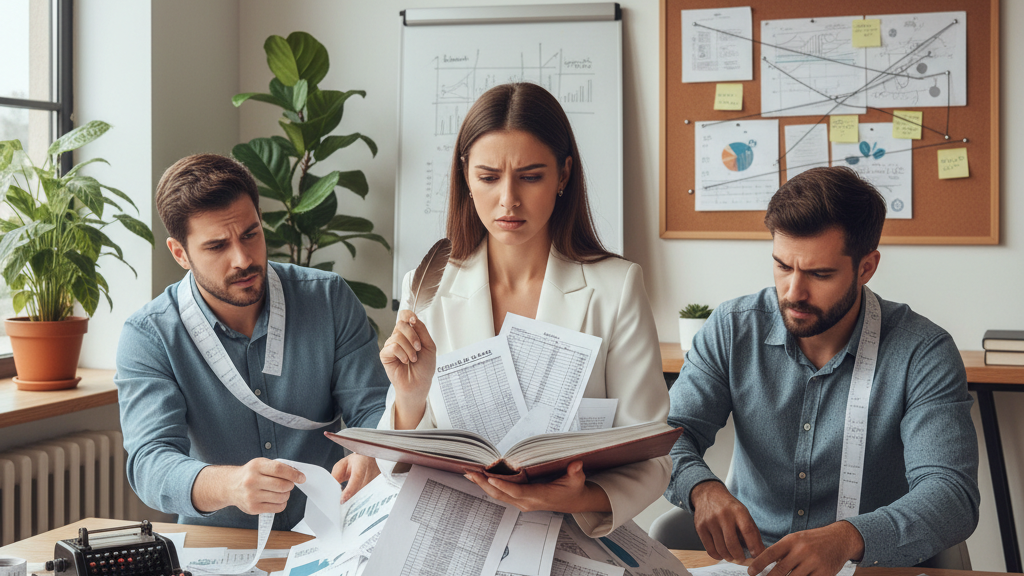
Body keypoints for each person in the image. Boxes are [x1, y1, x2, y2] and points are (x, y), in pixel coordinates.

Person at [376, 82, 670, 538]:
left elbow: (650, 451)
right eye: (489, 177)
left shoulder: (616, 288)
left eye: (531, 176)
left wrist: (581, 497)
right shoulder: (426, 287)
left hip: (572, 535)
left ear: (563, 175)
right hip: (460, 536)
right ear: (466, 176)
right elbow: (390, 461)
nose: (508, 199)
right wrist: (410, 398)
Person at [665, 166, 980, 574]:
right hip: (750, 564)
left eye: (820, 274)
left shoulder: (923, 352)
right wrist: (701, 487)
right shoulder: (732, 328)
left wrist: (849, 537)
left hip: (871, 564)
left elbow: (950, 494)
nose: (794, 292)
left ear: (866, 268)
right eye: (782, 266)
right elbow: (667, 436)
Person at [115, 154, 389, 530]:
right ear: (180, 253)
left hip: (330, 533)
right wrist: (229, 485)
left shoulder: (329, 299)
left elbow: (372, 405)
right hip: (217, 548)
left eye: (250, 234)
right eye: (216, 247)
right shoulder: (149, 334)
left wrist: (370, 449)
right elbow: (150, 461)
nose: (242, 259)